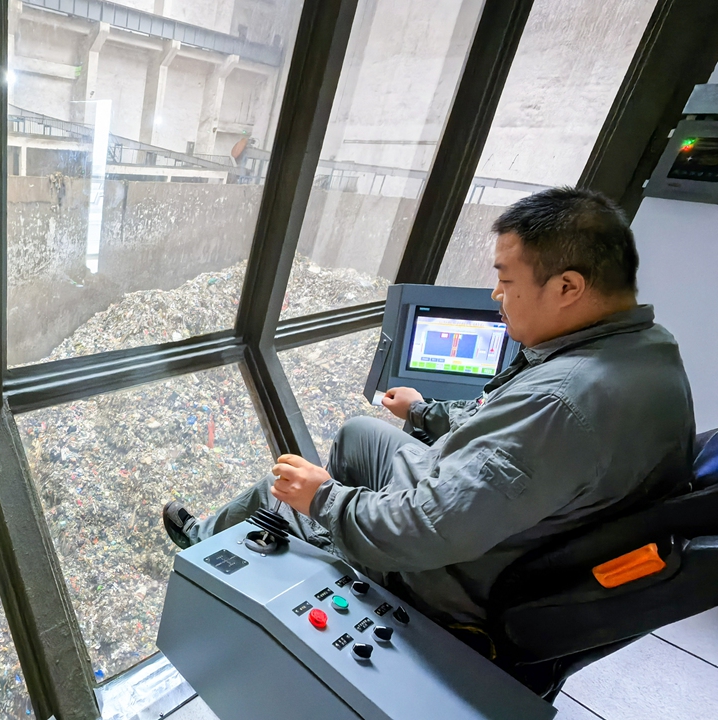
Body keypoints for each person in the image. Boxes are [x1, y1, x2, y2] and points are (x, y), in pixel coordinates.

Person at [163, 186, 695, 626]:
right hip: (518, 518)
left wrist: (324, 500)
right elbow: (507, 432)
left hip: (458, 571)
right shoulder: (646, 349)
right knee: (357, 434)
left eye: (506, 280)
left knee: (280, 491)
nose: (496, 295)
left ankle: (203, 547)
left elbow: (429, 530)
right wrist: (425, 414)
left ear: (568, 287)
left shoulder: (561, 404)